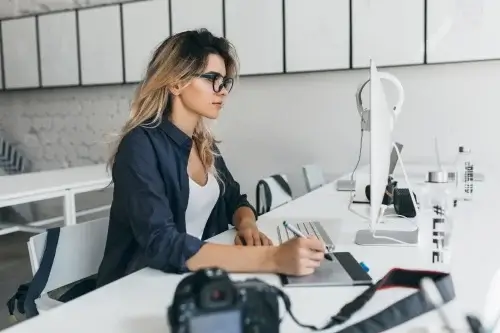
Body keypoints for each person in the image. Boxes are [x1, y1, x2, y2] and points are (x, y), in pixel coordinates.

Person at [95, 29, 325, 287]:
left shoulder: (203, 143)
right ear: (175, 82)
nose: (222, 91)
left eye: (224, 82)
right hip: (136, 285)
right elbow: (161, 243)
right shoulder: (140, 146)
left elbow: (234, 200)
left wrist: (247, 223)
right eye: (212, 79)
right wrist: (270, 258)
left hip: (190, 278)